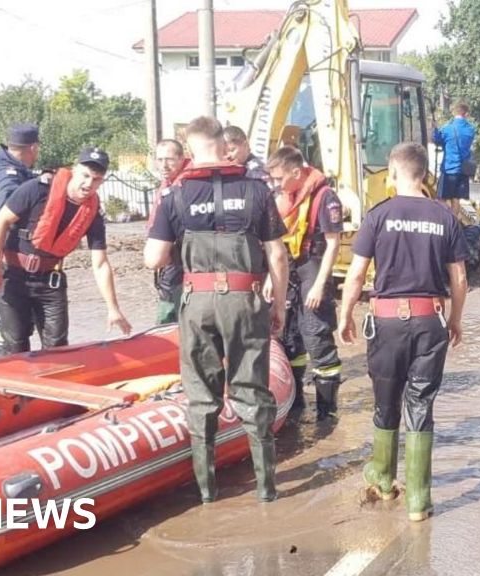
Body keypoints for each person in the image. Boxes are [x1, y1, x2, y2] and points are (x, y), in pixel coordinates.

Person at [143, 116, 289, 503]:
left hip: (198, 301)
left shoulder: (175, 195)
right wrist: (279, 304)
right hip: (246, 298)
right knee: (252, 391)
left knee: (202, 397)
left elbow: (153, 257)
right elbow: (277, 253)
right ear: (224, 145)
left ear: (189, 149)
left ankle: (208, 494)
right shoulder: (257, 190)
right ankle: (266, 491)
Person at [337, 142, 468, 522]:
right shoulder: (444, 217)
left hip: (388, 321)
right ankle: (418, 501)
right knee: (421, 404)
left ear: (393, 174)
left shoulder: (378, 215)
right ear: (425, 175)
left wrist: (345, 314)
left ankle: (382, 479)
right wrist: (456, 319)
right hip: (432, 321)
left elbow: (358, 274)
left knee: (385, 400)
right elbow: (459, 278)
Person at [0, 147, 132, 354]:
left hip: (50, 282)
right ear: (74, 170)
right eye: (85, 176)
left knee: (57, 347)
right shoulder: (36, 189)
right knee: (15, 344)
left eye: (96, 179)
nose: (88, 184)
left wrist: (113, 308)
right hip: (14, 277)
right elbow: (1, 221)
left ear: (102, 181)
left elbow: (100, 263)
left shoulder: (93, 212)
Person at [265, 146, 344, 420]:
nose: (276, 184)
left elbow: (334, 244)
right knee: (289, 338)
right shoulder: (286, 199)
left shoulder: (325, 197)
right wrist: (269, 278)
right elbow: (277, 243)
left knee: (317, 336)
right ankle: (296, 404)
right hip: (290, 271)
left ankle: (327, 413)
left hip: (313, 266)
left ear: (296, 172)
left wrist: (320, 284)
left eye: (279, 178)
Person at [0, 123, 41, 356]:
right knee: (10, 316)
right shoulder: (9, 177)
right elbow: (5, 216)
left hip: (3, 252)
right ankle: (4, 364)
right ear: (33, 147)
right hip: (4, 254)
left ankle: (6, 360)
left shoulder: (4, 168)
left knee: (12, 316)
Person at [149, 139, 189, 324]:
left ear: (182, 158)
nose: (164, 165)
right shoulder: (168, 184)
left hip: (181, 259)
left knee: (171, 310)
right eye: (160, 159)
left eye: (169, 159)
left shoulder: (187, 186)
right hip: (168, 258)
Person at [432, 102, 476, 217]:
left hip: (449, 169)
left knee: (441, 199)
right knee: (456, 199)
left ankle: (445, 223)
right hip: (463, 171)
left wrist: (435, 129)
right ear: (466, 114)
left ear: (454, 112)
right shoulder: (471, 129)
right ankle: (454, 223)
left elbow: (437, 140)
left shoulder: (447, 128)